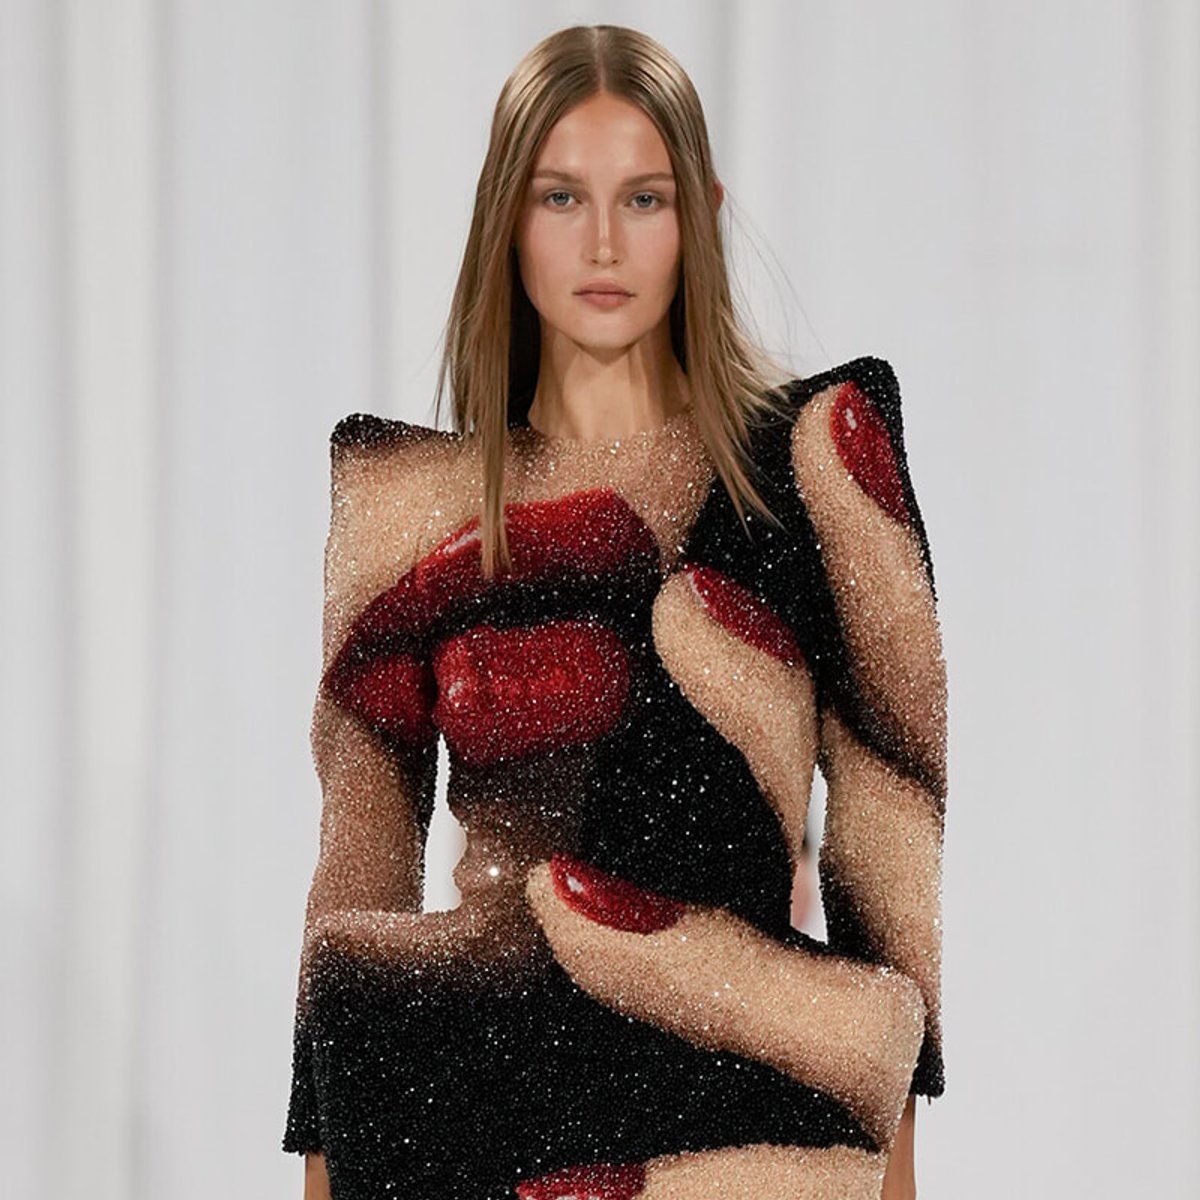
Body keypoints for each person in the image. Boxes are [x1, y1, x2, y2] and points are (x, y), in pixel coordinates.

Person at [282, 23, 947, 1200]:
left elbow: (889, 872)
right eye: (559, 196)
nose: (602, 241)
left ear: (701, 210)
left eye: (643, 197)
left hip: (752, 1123)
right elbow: (354, 904)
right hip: (464, 1125)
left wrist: (899, 1171)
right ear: (504, 214)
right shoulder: (408, 505)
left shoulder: (811, 467)